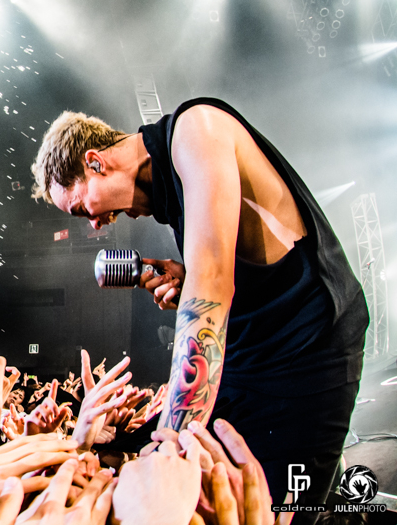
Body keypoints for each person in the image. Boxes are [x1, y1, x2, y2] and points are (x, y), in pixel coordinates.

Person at [31, 97, 368, 512]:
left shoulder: (196, 131)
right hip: (251, 352)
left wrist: (167, 452)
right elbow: (239, 269)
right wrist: (185, 276)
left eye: (83, 208)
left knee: (273, 509)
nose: (96, 224)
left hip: (307, 351)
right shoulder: (170, 192)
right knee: (157, 471)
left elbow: (210, 292)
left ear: (96, 162)